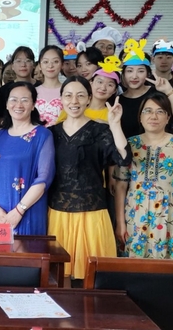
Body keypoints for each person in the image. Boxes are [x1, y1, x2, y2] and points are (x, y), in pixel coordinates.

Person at [48, 77, 130, 283]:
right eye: (68, 95)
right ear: (61, 99)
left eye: (80, 95)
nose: (74, 101)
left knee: (92, 279)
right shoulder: (50, 133)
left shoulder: (100, 130)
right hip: (58, 212)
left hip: (92, 213)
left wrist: (115, 125)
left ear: (89, 98)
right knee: (59, 278)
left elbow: (124, 158)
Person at [115, 92, 173, 260]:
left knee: (169, 268)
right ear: (140, 117)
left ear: (168, 118)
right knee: (134, 267)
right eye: (148, 111)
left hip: (171, 216)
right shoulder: (129, 144)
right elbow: (121, 186)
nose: (153, 116)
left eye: (160, 111)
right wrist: (120, 223)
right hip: (135, 216)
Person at [0, 83, 54, 235]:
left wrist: (19, 210)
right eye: (13, 99)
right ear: (7, 104)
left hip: (28, 211)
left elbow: (44, 178)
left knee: (28, 250)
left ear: (33, 105)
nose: (18, 105)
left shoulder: (42, 135)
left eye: (25, 100)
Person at [117, 39, 173, 138]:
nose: (134, 76)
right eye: (129, 71)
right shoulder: (118, 100)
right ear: (123, 74)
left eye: (140, 71)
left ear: (148, 74)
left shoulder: (157, 94)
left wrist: (169, 91)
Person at [55, 54, 122, 124]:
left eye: (110, 85)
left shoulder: (113, 114)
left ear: (115, 90)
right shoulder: (74, 107)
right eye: (100, 82)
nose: (103, 87)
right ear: (91, 83)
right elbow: (59, 128)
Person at [34, 45, 64, 127]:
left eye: (55, 61)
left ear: (62, 64)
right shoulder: (32, 92)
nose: (50, 66)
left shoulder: (68, 91)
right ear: (40, 66)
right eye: (45, 62)